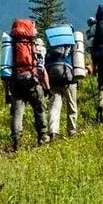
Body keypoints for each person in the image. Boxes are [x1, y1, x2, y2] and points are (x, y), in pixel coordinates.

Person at [7, 20, 50, 150]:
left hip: (16, 83)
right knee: (39, 109)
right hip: (33, 81)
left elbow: (6, 69)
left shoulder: (11, 45)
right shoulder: (36, 45)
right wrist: (47, 87)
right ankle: (43, 137)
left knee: (17, 113)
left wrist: (7, 92)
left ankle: (16, 142)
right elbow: (41, 68)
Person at [45, 24, 80, 139]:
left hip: (52, 76)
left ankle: (53, 132)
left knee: (54, 106)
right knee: (71, 105)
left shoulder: (51, 42)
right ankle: (72, 130)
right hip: (68, 76)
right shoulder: (70, 42)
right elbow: (76, 59)